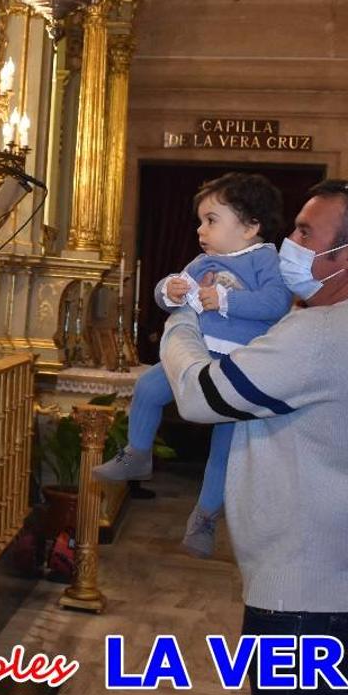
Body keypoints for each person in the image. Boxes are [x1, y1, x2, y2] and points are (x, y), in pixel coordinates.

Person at [159, 179, 348, 695]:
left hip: (311, 603)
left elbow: (200, 395)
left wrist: (183, 319)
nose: (290, 242)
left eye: (306, 232)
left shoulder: (323, 333)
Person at [92, 173, 291, 558]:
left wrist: (224, 300)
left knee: (225, 448)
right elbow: (169, 292)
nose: (201, 229)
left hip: (237, 366)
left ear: (250, 226)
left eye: (211, 220)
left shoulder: (266, 259)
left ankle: (204, 519)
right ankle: (138, 453)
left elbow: (275, 304)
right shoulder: (203, 261)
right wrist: (169, 289)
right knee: (148, 388)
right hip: (196, 355)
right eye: (200, 220)